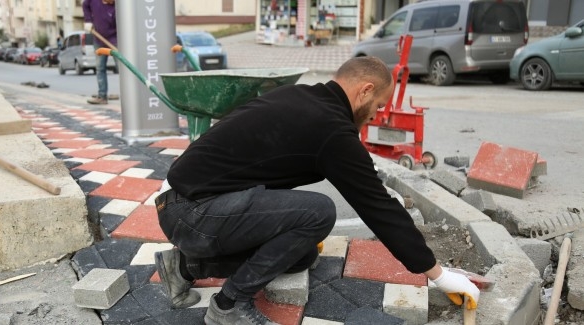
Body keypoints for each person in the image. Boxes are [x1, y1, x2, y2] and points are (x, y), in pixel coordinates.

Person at [154, 57, 480, 325]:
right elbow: (378, 209)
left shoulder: (304, 99)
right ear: (365, 91)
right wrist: (438, 275)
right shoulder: (331, 128)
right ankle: (228, 306)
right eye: (378, 106)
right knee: (319, 212)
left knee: (302, 254)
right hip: (191, 211)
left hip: (184, 202)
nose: (375, 115)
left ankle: (185, 267)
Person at [83, 0, 116, 105]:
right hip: (98, 38)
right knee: (100, 68)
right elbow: (85, 4)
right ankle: (102, 96)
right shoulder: (93, 1)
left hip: (114, 39)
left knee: (122, 68)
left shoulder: (117, 7)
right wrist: (88, 20)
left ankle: (128, 95)